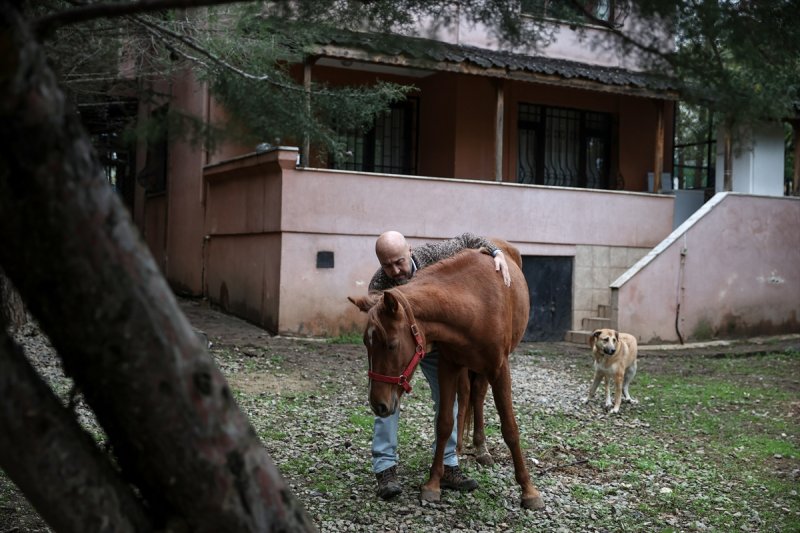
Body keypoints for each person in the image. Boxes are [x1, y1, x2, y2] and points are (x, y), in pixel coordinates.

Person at [368, 231, 511, 500]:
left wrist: (497, 252)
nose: (395, 270)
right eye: (387, 264)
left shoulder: (432, 255)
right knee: (385, 396)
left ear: (410, 251)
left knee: (450, 398)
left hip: (436, 346)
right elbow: (380, 321)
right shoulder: (379, 283)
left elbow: (469, 237)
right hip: (401, 346)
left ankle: (448, 464)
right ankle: (385, 468)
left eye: (399, 261)